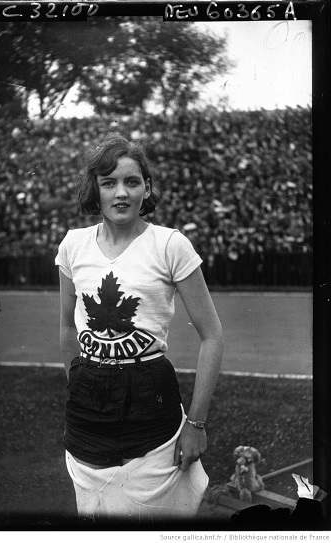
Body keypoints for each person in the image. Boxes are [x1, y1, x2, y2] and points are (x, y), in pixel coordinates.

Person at [55, 133, 223, 521]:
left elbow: (212, 335)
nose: (121, 193)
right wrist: (80, 381)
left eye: (132, 182)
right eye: (109, 182)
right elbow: (67, 329)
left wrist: (196, 423)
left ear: (146, 188)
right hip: (86, 412)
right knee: (96, 516)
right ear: (93, 189)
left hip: (152, 405)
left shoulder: (170, 245)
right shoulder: (73, 245)